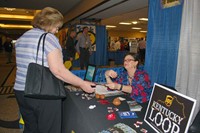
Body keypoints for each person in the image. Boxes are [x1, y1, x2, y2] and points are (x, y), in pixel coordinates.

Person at [14, 7, 95, 133]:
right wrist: (82, 83)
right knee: (49, 129)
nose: (57, 31)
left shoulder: (22, 37)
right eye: (57, 27)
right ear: (50, 23)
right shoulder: (48, 38)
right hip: (41, 92)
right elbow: (58, 70)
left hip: (20, 91)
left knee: (31, 128)